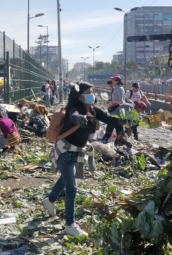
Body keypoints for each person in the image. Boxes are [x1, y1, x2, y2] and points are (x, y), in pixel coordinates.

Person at [42, 81, 120, 237]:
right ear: (79, 96)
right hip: (66, 152)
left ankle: (49, 201)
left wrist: (125, 120)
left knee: (65, 180)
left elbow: (109, 118)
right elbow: (74, 116)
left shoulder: (92, 110)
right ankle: (70, 225)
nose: (93, 95)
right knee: (71, 189)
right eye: (89, 93)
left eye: (93, 92)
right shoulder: (75, 109)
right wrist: (80, 120)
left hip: (78, 151)